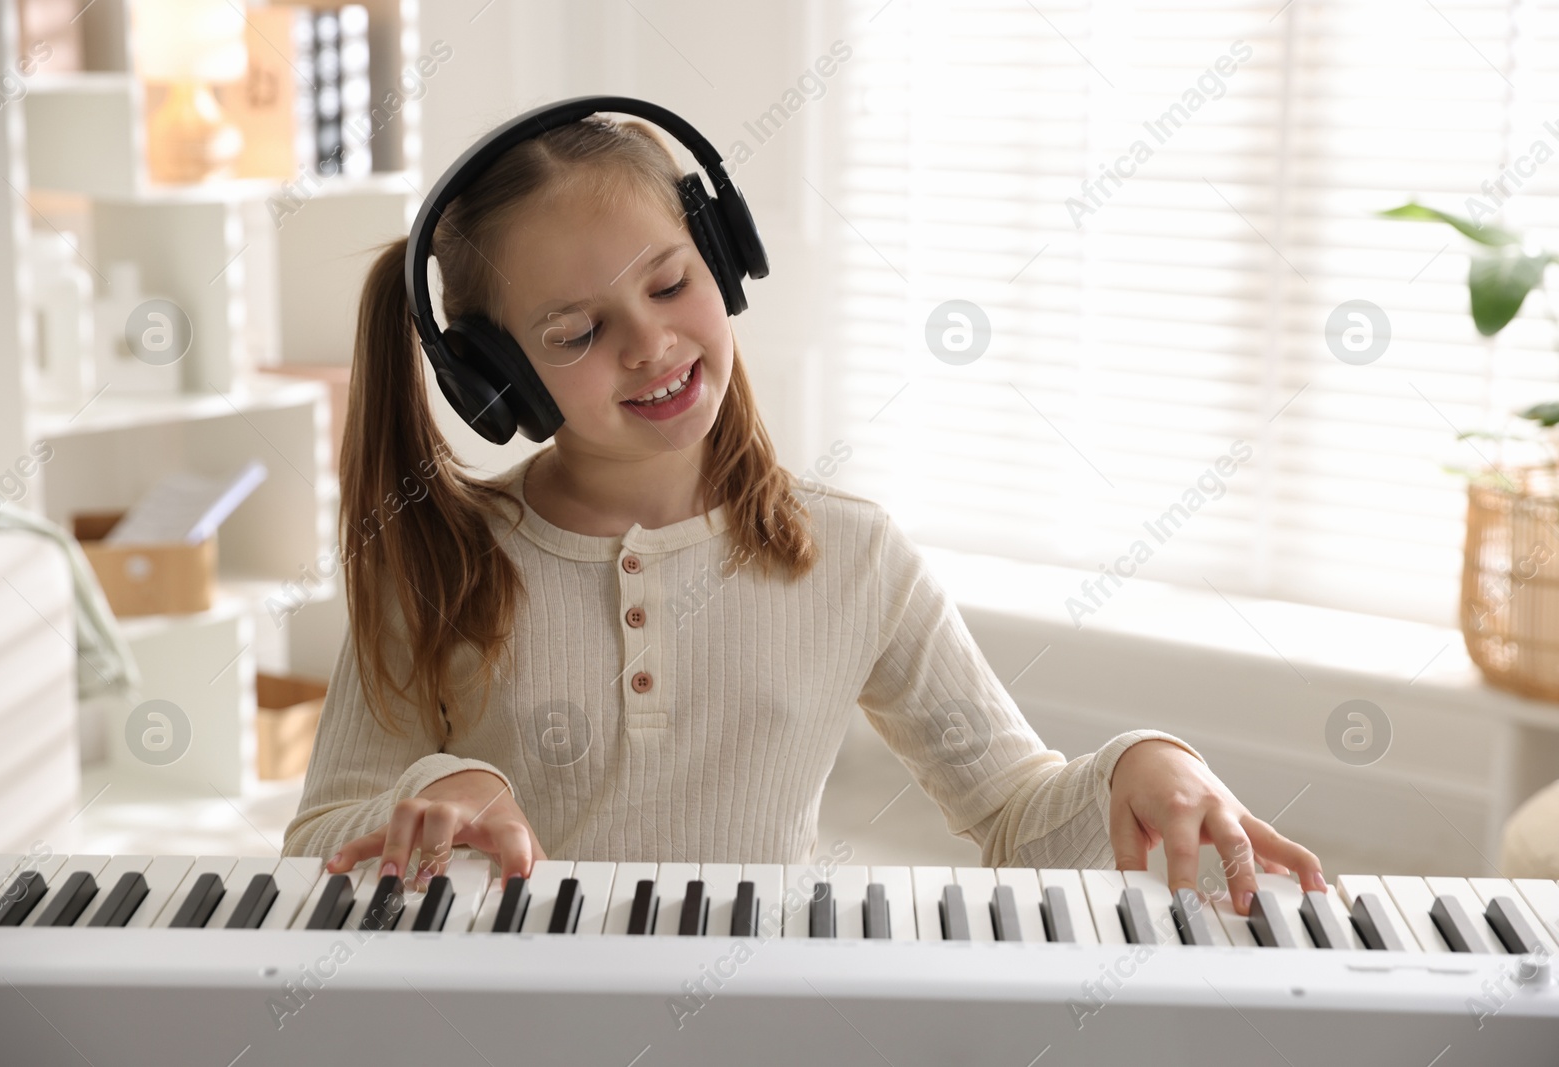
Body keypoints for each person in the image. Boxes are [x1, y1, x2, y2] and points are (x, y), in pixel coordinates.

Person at [282, 111, 1325, 918]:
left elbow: (1013, 812)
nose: (649, 344)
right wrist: (434, 784)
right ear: (493, 379)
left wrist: (1143, 761)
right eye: (577, 331)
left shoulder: (852, 554)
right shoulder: (442, 559)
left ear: (720, 260)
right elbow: (318, 833)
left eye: (668, 282)